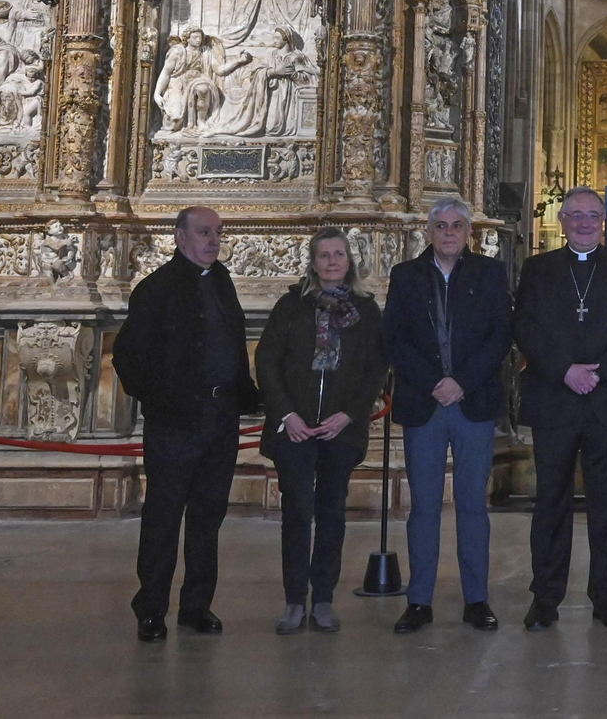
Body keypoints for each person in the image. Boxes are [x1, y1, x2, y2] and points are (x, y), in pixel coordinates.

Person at [113, 207, 261, 641]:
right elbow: (128, 357)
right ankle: (151, 608)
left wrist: (245, 393)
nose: (213, 240)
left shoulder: (221, 280)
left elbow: (233, 345)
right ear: (180, 237)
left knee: (207, 517)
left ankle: (196, 605)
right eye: (203, 232)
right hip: (175, 423)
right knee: (163, 517)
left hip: (220, 419)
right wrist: (161, 400)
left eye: (217, 233)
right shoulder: (156, 289)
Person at [512, 187, 607, 630]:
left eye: (593, 215)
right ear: (562, 221)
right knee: (550, 502)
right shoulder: (538, 269)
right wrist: (564, 371)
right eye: (576, 215)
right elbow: (525, 326)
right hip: (554, 399)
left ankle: (606, 597)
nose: (585, 223)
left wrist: (598, 372)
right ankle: (545, 599)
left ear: (604, 220)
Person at [384, 196, 512, 635]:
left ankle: (476, 599)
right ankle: (419, 601)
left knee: (473, 506)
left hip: (472, 404)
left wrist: (463, 382)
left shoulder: (490, 274)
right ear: (429, 231)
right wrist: (433, 383)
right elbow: (395, 340)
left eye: (459, 225)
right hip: (426, 404)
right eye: (442, 226)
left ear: (468, 233)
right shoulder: (405, 277)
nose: (450, 233)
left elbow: (500, 337)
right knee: (424, 508)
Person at [256, 228, 385, 634]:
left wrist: (349, 414)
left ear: (350, 262)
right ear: (312, 262)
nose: (332, 262)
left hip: (339, 430)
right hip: (294, 428)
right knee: (297, 513)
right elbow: (268, 362)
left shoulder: (366, 311)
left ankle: (324, 598)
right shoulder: (291, 306)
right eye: (324, 255)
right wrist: (287, 414)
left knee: (331, 514)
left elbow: (375, 369)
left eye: (339, 254)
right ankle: (295, 600)